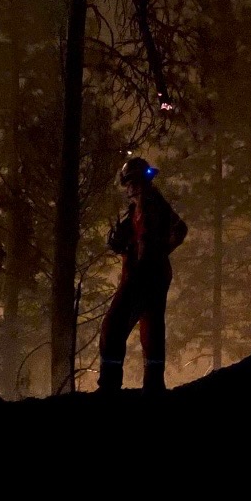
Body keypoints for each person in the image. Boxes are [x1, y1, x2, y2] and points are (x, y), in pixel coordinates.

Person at [99, 156, 187, 395]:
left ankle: (110, 387)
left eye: (134, 182)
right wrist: (121, 242)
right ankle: (153, 385)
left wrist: (158, 251)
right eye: (128, 183)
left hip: (147, 277)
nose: (131, 187)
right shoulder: (135, 211)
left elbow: (179, 230)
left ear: (144, 182)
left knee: (114, 326)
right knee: (151, 329)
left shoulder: (155, 205)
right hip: (146, 276)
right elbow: (129, 240)